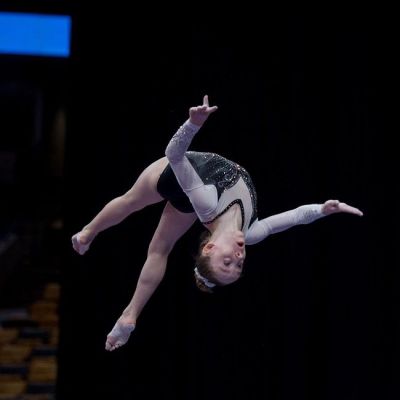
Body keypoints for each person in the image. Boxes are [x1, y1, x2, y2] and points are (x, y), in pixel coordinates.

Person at [71, 95, 363, 351]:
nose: (238, 258)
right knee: (150, 232)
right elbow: (296, 217)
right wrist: (323, 209)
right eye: (238, 266)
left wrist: (193, 124)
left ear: (209, 248)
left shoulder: (207, 202)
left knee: (135, 209)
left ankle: (94, 247)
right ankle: (122, 300)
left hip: (175, 176)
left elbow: (174, 156)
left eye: (227, 262)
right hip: (192, 187)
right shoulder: (252, 233)